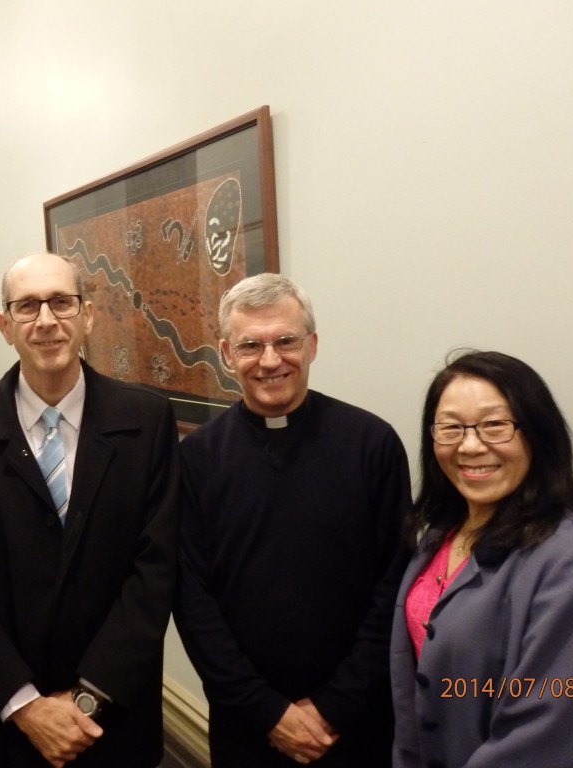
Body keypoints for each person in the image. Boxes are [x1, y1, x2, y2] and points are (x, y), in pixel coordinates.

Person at [0, 252, 179, 768]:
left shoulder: (146, 421)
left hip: (116, 714)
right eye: (27, 306)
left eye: (61, 302)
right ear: (4, 325)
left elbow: (157, 570)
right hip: (5, 722)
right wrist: (24, 704)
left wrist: (88, 696)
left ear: (88, 315)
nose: (46, 321)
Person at [175, 272, 411, 767]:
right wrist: (265, 711)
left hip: (357, 719)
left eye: (285, 341)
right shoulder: (194, 459)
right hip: (247, 724)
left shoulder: (373, 444)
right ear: (225, 353)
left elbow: (396, 585)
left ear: (313, 345)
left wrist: (336, 706)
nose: (269, 360)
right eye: (250, 345)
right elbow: (191, 599)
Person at [391, 350, 573, 767]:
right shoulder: (438, 537)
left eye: (494, 425)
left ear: (537, 432)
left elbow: (547, 736)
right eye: (450, 427)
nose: (470, 445)